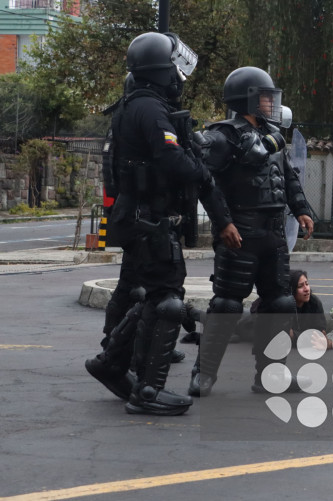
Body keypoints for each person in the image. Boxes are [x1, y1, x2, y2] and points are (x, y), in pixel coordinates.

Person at [85, 32, 231, 416]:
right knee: (166, 300)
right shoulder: (150, 108)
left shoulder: (136, 104)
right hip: (148, 219)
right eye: (174, 71)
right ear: (161, 71)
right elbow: (173, 161)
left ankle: (112, 364)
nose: (178, 78)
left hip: (140, 217)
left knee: (146, 295)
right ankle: (149, 391)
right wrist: (198, 163)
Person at [187, 66, 314, 398]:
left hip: (272, 230)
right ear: (247, 99)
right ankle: (204, 373)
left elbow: (287, 178)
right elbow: (205, 182)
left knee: (281, 302)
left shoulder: (272, 134)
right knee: (227, 304)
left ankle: (271, 377)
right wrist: (223, 222)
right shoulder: (222, 135)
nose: (270, 103)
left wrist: (301, 209)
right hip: (239, 229)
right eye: (264, 97)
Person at [287, 269, 327, 342]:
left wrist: (294, 335)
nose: (306, 289)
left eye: (307, 284)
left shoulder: (314, 302)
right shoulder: (284, 306)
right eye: (300, 286)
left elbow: (320, 334)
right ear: (291, 289)